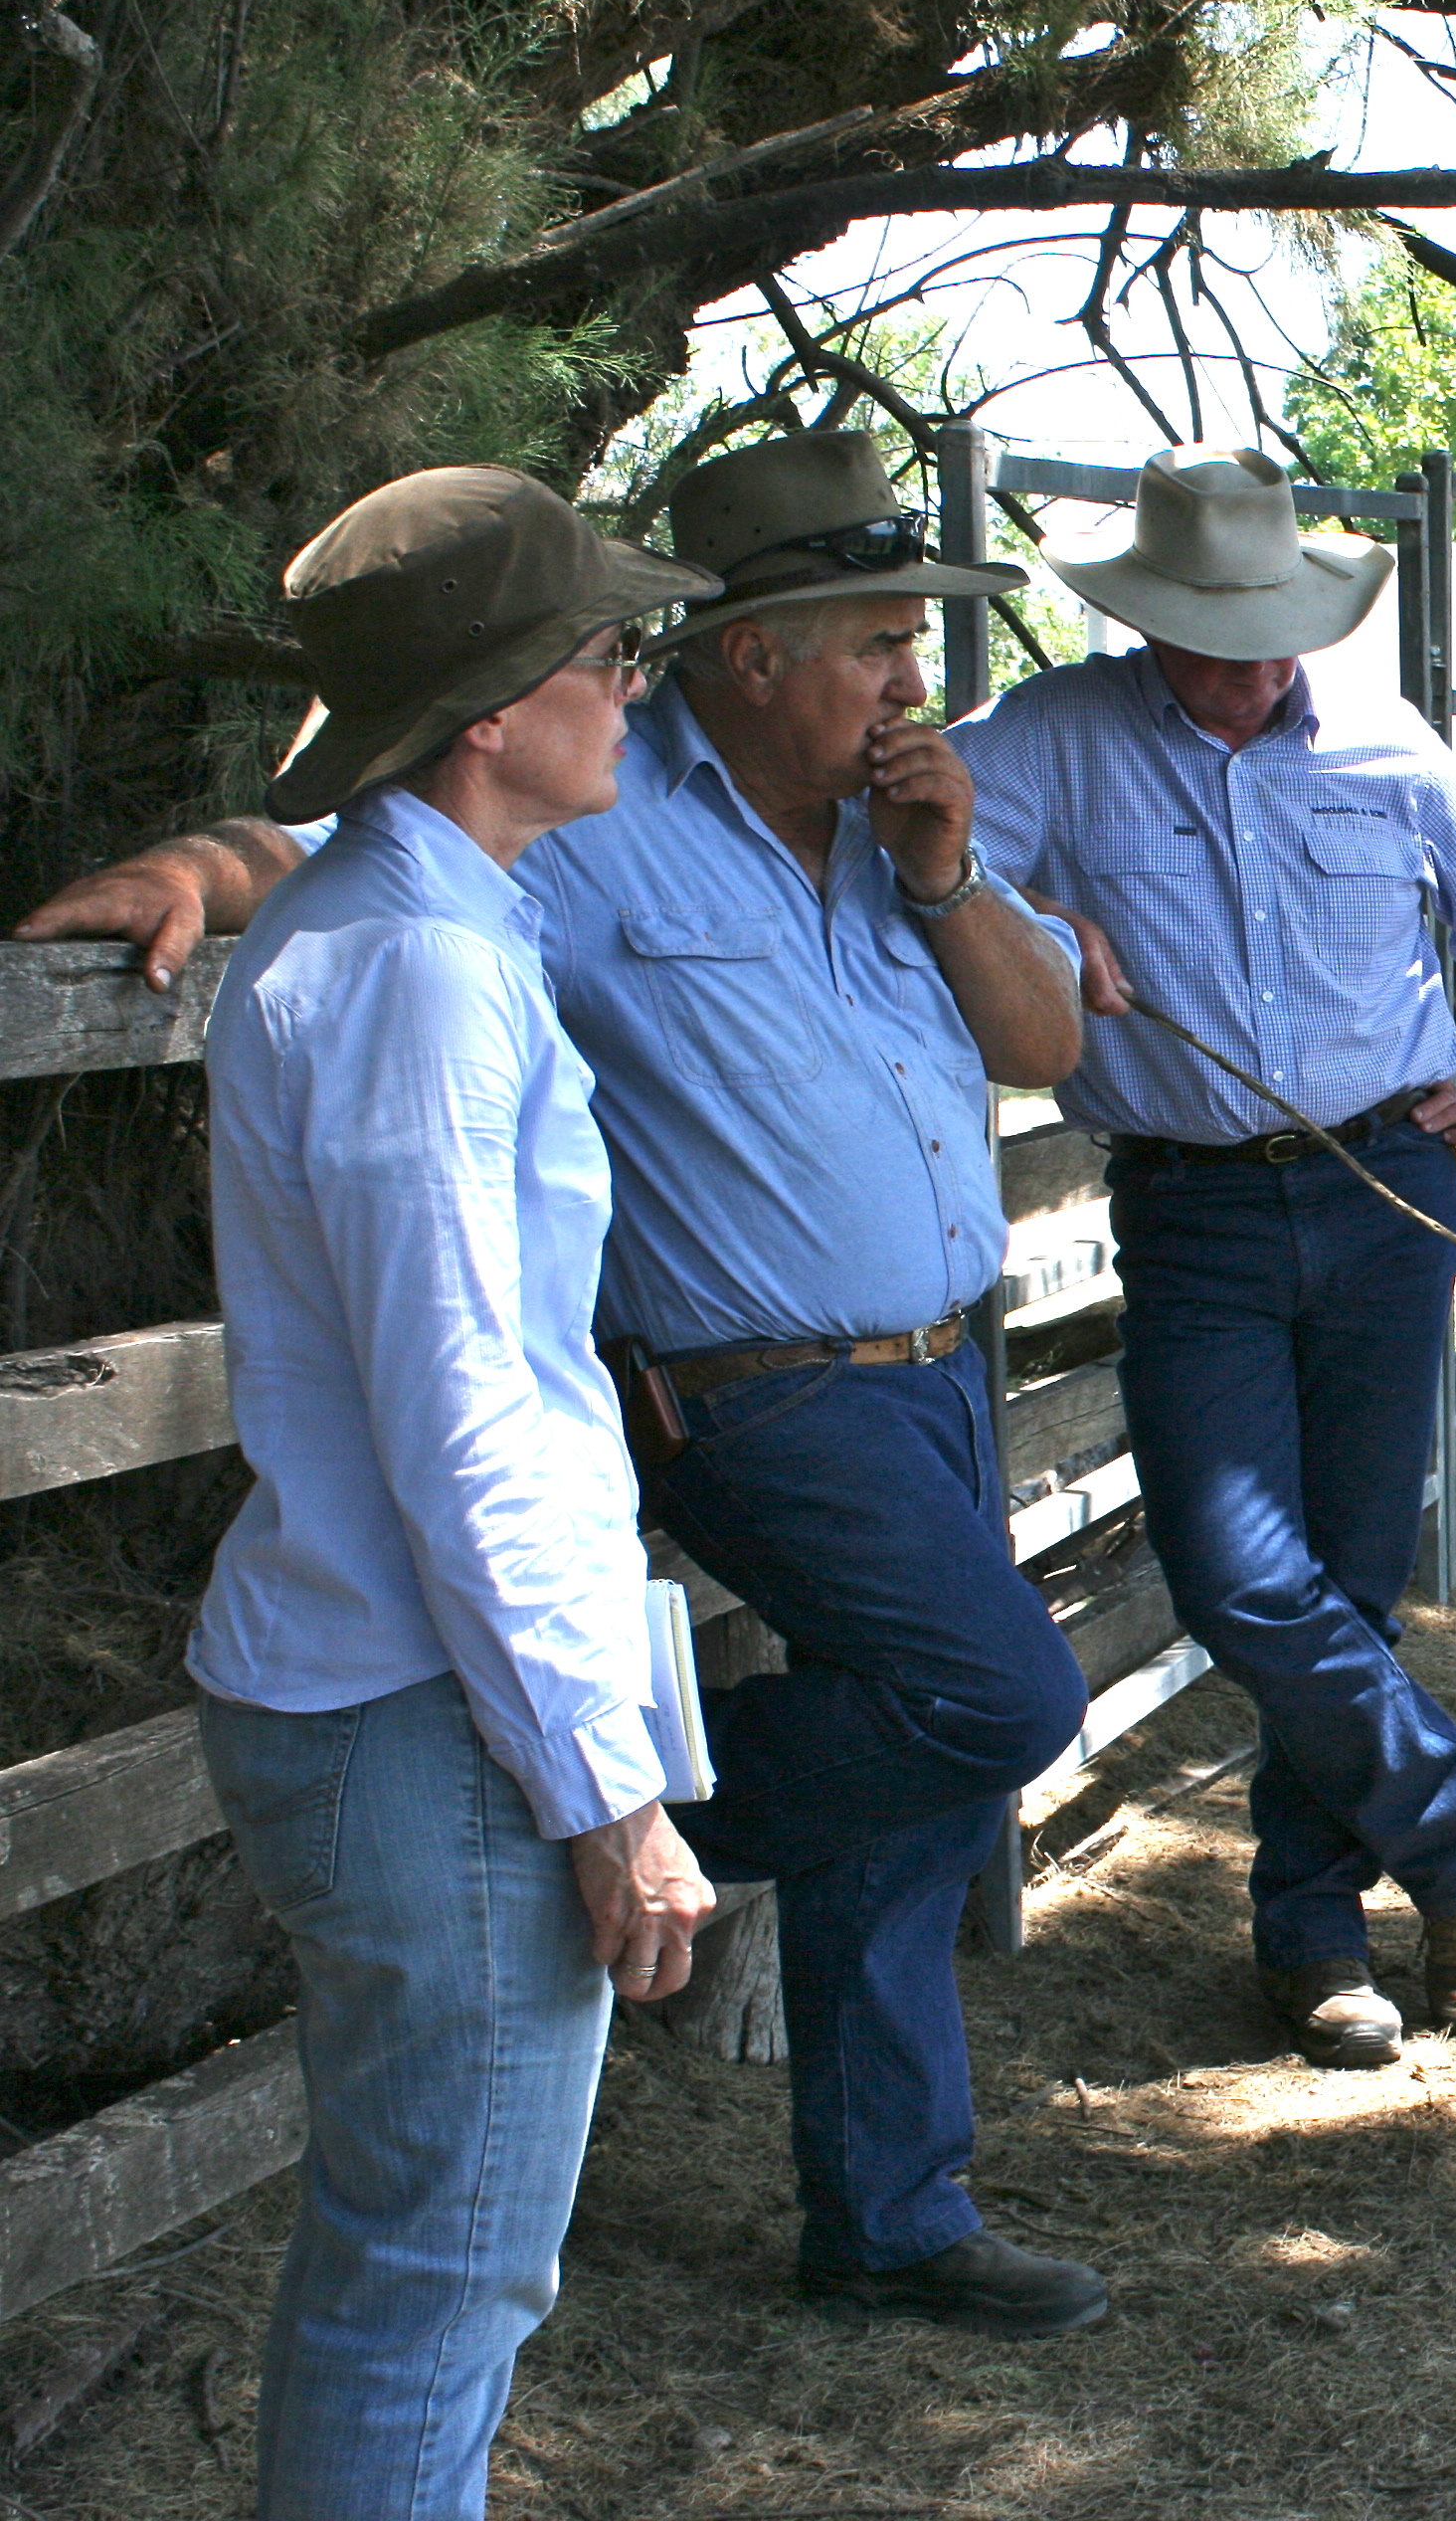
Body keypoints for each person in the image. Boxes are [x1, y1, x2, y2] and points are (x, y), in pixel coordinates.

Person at [23, 431, 1110, 2338]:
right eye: (876, 642)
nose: (913, 684)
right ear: (752, 654)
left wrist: (947, 876)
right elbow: (387, 849)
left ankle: (888, 2206)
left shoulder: (910, 824)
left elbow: (1043, 1047)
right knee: (986, 1694)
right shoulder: (603, 812)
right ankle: (608, 1840)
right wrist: (208, 858)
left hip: (942, 1360)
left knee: (920, 1780)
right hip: (753, 1386)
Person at [186, 466, 719, 2513]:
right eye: (613, 654)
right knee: (442, 2277)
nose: (638, 688)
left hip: (391, 1685)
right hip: (428, 1709)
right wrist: (606, 1791)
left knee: (409, 2257)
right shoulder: (419, 967)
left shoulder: (391, 910)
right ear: (495, 711)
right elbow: (469, 1415)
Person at [950, 442, 1456, 2070]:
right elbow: (918, 838)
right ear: (1148, 619)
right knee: (1236, 1574)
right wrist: (1027, 923)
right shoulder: (1056, 740)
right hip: (1196, 1202)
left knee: (1348, 1579)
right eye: (1212, 628)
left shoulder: (1384, 738)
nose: (1247, 661)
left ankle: (1316, 1943)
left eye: (1268, 623)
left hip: (1385, 1187)